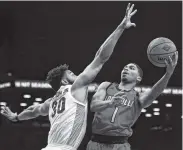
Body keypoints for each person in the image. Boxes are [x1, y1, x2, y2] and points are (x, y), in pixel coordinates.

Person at [1, 3, 137, 150]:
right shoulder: (76, 87)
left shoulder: (51, 102)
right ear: (64, 81)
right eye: (71, 74)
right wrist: (121, 28)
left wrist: (16, 117)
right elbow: (101, 57)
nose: (76, 74)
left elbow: (33, 111)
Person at [87, 4, 178, 150]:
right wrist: (110, 103)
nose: (126, 69)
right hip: (96, 143)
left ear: (138, 78)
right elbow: (93, 106)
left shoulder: (138, 98)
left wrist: (168, 74)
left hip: (120, 145)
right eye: (125, 67)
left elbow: (155, 92)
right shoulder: (106, 85)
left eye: (131, 68)